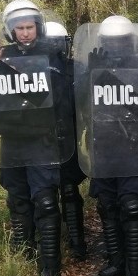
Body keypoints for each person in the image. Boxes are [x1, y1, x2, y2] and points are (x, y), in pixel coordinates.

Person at [0, 0, 73, 276]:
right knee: (18, 201)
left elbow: (46, 95)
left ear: (37, 27)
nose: (25, 33)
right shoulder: (1, 54)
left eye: (29, 27)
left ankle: (50, 268)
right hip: (11, 140)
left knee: (46, 201)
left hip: (42, 140)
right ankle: (24, 257)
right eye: (19, 28)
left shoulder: (51, 54)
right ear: (9, 30)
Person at [76, 15, 138, 276]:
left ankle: (136, 268)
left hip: (135, 149)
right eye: (111, 43)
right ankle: (116, 263)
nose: (116, 47)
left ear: (132, 42)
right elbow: (77, 104)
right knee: (108, 207)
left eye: (121, 42)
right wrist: (91, 75)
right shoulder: (94, 68)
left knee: (132, 207)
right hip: (103, 149)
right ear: (103, 43)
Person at [44, 21, 88, 261]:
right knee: (48, 194)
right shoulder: (32, 69)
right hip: (41, 138)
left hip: (68, 134)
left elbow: (85, 101)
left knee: (69, 190)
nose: (58, 48)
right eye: (54, 43)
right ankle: (62, 242)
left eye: (60, 42)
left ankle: (77, 242)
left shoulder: (75, 68)